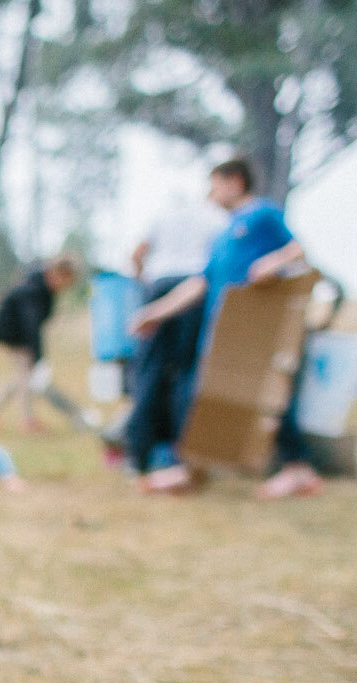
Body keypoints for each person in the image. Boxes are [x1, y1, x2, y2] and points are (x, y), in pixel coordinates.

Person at [128, 158, 318, 500]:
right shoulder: (222, 234)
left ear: (236, 181)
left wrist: (271, 263)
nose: (211, 193)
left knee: (269, 394)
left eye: (215, 184)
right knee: (207, 396)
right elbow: (201, 282)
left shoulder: (262, 215)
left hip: (257, 327)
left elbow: (298, 250)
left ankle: (298, 469)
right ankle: (194, 469)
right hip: (220, 330)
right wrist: (155, 312)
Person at [119, 197, 228, 476]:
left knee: (148, 371)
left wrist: (145, 285)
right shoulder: (216, 216)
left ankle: (138, 456)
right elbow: (220, 259)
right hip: (194, 289)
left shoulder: (161, 212)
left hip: (159, 284)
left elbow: (137, 254)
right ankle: (183, 456)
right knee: (186, 372)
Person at [0, 255, 96, 433]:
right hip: (14, 334)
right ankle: (27, 420)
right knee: (25, 375)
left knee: (22, 376)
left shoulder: (42, 287)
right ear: (59, 273)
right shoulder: (35, 289)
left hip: (18, 334)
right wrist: (39, 358)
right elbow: (32, 326)